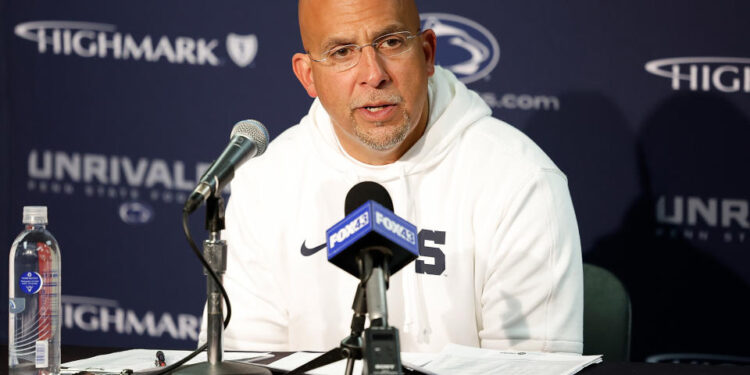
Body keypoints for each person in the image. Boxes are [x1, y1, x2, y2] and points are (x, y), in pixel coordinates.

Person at [199, 0, 583, 354]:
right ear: (308, 76)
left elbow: (530, 367)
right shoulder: (267, 182)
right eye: (342, 52)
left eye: (392, 42)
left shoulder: (521, 181)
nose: (373, 74)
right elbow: (245, 358)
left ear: (427, 52)